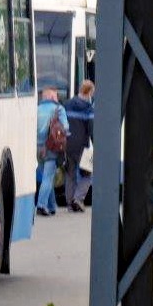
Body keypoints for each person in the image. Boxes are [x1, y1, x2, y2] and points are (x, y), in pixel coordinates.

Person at [35, 86, 69, 216]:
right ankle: (41, 205)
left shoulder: (36, 109)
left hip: (37, 148)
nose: (57, 97)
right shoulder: (59, 109)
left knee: (46, 176)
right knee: (48, 178)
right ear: (52, 97)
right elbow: (65, 127)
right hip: (51, 147)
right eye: (55, 95)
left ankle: (52, 205)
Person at [63, 80, 95, 213]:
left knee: (70, 174)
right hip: (83, 146)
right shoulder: (89, 108)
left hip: (67, 145)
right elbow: (92, 129)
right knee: (88, 173)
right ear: (89, 92)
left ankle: (70, 203)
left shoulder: (67, 104)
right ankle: (78, 198)